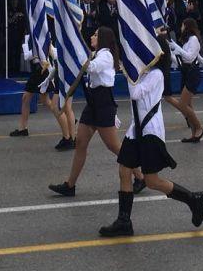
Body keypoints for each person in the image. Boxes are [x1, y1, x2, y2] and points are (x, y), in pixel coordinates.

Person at [98, 42, 203, 237]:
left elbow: (136, 93)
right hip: (136, 129)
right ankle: (124, 221)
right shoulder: (143, 72)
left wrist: (129, 71)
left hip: (150, 131)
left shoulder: (157, 75)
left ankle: (193, 199)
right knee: (124, 170)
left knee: (152, 181)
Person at [49, 27, 143, 197]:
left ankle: (140, 176)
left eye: (95, 35)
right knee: (80, 144)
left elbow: (90, 68)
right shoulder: (97, 54)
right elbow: (75, 58)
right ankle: (70, 185)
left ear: (103, 39)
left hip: (103, 104)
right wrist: (53, 47)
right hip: (93, 103)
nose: (91, 36)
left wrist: (76, 55)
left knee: (114, 146)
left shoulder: (106, 56)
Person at [11, 38, 74, 150]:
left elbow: (49, 53)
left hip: (45, 69)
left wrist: (38, 52)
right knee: (31, 98)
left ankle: (67, 132)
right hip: (39, 69)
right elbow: (27, 56)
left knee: (53, 104)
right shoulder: (28, 36)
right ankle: (23, 128)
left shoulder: (43, 34)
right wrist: (36, 52)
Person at [168, 18, 203, 143]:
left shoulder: (194, 39)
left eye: (183, 25)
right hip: (185, 72)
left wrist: (177, 48)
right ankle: (194, 132)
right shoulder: (187, 41)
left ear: (188, 26)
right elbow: (181, 61)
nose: (181, 28)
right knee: (188, 105)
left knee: (183, 105)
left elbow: (189, 57)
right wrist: (171, 52)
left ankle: (199, 127)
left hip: (192, 73)